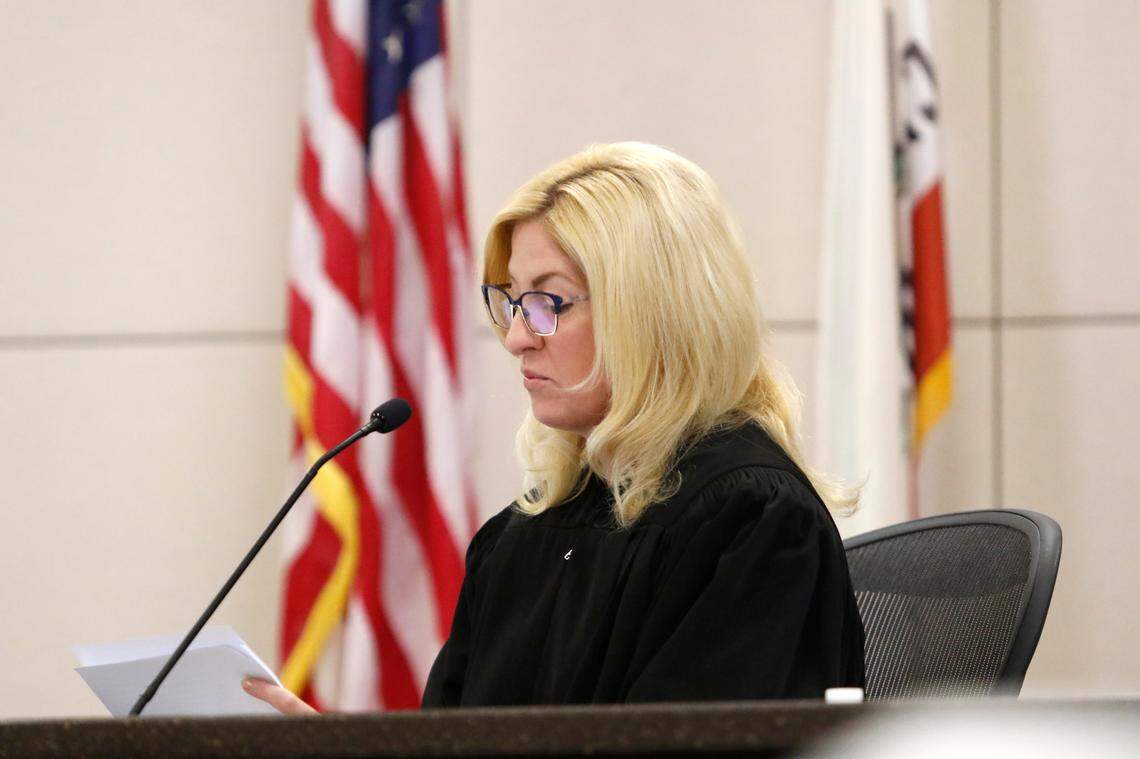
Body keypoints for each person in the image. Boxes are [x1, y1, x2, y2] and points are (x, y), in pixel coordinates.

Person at [245, 141, 864, 713]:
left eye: (550, 302)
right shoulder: (522, 537)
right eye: (513, 300)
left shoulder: (749, 520)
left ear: (651, 311)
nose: (516, 338)